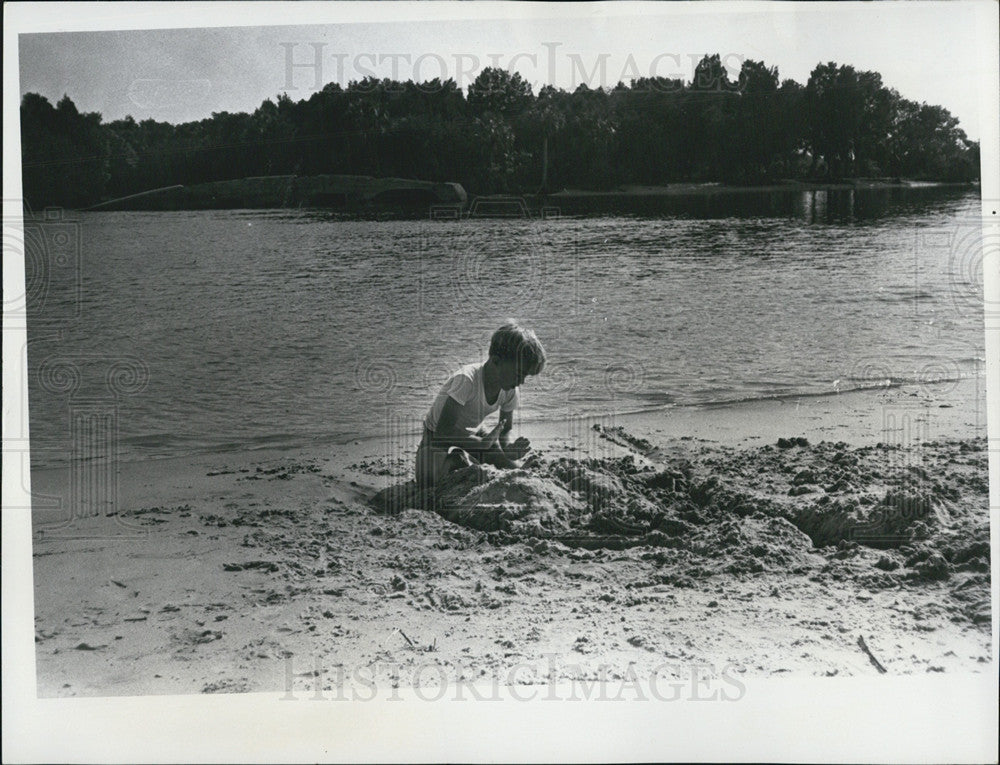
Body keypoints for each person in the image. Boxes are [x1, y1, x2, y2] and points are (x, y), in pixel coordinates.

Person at [416, 320, 546, 490]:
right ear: (496, 361)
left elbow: (505, 430)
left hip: (474, 433)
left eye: (525, 377)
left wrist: (509, 448)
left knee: (514, 469)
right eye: (519, 374)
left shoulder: (510, 389)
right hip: (436, 435)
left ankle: (468, 459)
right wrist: (480, 444)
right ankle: (459, 459)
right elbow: (444, 431)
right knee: (427, 481)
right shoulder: (467, 380)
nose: (521, 381)